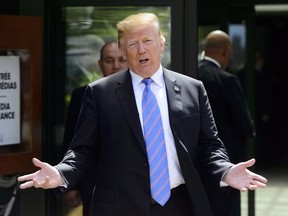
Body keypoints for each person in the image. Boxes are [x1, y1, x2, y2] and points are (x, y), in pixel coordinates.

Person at [18, 13, 267, 216]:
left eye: (147, 41)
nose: (141, 50)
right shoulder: (100, 93)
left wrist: (225, 170)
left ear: (161, 43)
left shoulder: (192, 88)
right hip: (119, 207)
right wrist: (61, 173)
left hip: (179, 205)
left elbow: (209, 146)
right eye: (132, 44)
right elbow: (83, 150)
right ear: (123, 52)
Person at [62, 41, 127, 216]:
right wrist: (71, 185)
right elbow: (72, 141)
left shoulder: (142, 94)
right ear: (100, 64)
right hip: (94, 183)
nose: (116, 66)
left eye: (122, 60)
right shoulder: (82, 95)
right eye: (109, 60)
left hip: (132, 186)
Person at [197, 30, 256, 216]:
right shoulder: (226, 79)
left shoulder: (188, 74)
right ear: (226, 51)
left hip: (195, 156)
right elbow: (244, 123)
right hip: (226, 158)